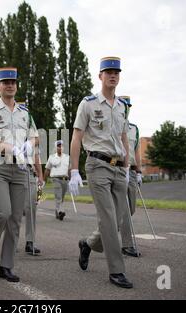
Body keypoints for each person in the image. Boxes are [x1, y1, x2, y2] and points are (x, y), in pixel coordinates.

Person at [69, 57, 133, 289]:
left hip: (118, 168)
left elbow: (124, 138)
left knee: (118, 219)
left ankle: (87, 244)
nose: (113, 75)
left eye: (116, 72)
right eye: (108, 72)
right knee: (107, 218)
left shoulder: (122, 106)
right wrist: (74, 169)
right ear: (100, 76)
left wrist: (127, 166)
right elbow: (77, 136)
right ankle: (117, 271)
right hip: (97, 166)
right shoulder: (88, 104)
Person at [0, 67, 42, 282]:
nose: (10, 85)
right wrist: (8, 147)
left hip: (20, 170)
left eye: (13, 82)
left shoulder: (25, 113)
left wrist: (28, 144)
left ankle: (6, 265)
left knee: (15, 218)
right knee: (2, 212)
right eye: (5, 82)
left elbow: (36, 137)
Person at [118, 96, 142, 257]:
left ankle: (105, 234)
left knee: (130, 208)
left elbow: (137, 150)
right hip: (118, 169)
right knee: (125, 209)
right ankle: (127, 244)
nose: (126, 108)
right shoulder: (113, 125)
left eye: (128, 106)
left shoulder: (134, 128)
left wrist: (139, 171)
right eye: (124, 105)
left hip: (132, 172)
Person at [44, 140, 70, 220]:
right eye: (58, 146)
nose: (60, 147)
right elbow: (47, 169)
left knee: (62, 197)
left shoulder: (67, 157)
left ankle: (57, 210)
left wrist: (71, 179)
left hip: (65, 179)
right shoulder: (52, 157)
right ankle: (60, 211)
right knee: (58, 196)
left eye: (61, 146)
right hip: (56, 179)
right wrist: (44, 180)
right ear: (56, 148)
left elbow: (69, 169)